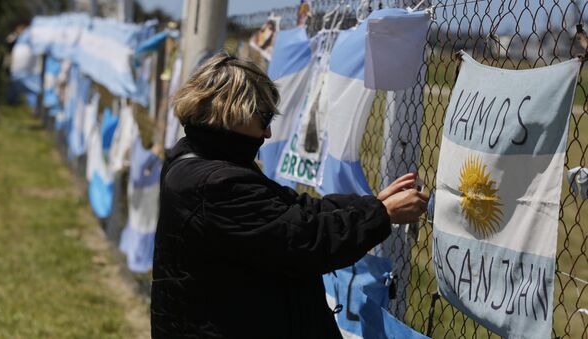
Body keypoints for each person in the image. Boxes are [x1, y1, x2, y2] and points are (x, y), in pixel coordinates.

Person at [151, 52, 428, 339]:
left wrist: (374, 205)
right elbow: (304, 240)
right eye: (264, 117)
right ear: (233, 112)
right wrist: (382, 215)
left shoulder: (196, 160)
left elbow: (292, 209)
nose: (268, 132)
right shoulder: (215, 184)